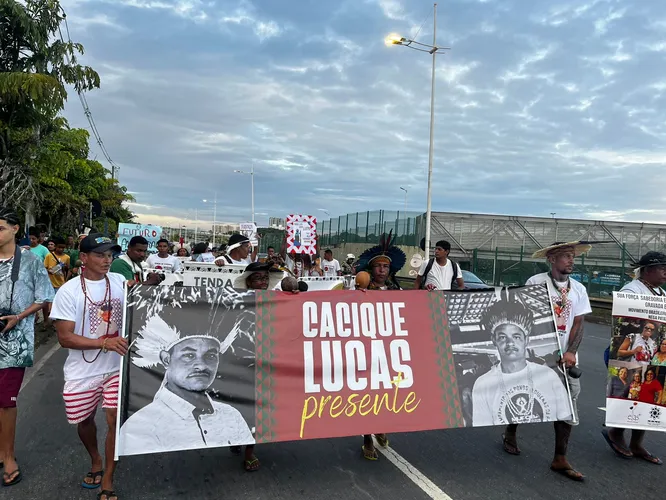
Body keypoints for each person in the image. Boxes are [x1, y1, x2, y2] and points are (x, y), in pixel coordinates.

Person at [502, 241, 592, 482]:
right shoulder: (535, 283)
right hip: (537, 355)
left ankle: (560, 458)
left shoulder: (579, 289)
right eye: (565, 256)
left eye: (572, 256)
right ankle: (511, 431)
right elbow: (525, 319)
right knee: (523, 395)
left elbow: (578, 323)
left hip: (565, 359)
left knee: (568, 405)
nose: (571, 260)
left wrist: (571, 351)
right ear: (551, 259)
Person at [50, 234, 128, 500]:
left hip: (117, 367)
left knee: (113, 418)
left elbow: (141, 303)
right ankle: (95, 458)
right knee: (83, 421)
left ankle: (107, 476)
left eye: (110, 255)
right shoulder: (68, 291)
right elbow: (65, 337)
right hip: (82, 370)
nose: (107, 260)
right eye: (100, 255)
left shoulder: (119, 282)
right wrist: (103, 343)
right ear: (83, 258)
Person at [119, 316, 254, 457]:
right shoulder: (141, 426)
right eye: (189, 355)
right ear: (166, 359)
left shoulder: (232, 415)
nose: (201, 366)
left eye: (211, 356)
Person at [0, 208, 54, 487]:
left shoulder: (31, 261)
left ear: (15, 229)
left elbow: (45, 295)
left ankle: (8, 456)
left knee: (6, 402)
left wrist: (19, 317)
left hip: (14, 342)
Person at [602, 251, 666, 465]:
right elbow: (626, 319)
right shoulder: (632, 290)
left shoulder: (660, 293)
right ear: (648, 270)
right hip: (631, 352)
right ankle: (616, 433)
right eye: (661, 268)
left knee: (650, 397)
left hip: (653, 352)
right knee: (631, 392)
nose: (665, 272)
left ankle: (637, 443)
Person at [472, 296, 572, 426]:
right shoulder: (482, 384)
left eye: (516, 336)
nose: (510, 343)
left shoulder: (549, 375)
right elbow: (482, 427)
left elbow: (565, 416)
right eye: (502, 337)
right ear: (494, 340)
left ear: (526, 340)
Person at [354, 232, 406, 459]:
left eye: (386, 266)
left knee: (387, 393)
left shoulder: (398, 293)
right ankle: (367, 438)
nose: (382, 270)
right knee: (367, 394)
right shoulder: (359, 292)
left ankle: (381, 426)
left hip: (388, 353)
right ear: (370, 270)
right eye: (378, 266)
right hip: (365, 351)